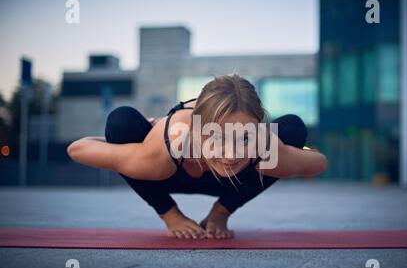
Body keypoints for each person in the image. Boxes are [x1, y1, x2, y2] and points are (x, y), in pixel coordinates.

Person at [67, 74, 328, 239]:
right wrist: (128, 148)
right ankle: (169, 212)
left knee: (293, 126)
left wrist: (274, 150)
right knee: (121, 121)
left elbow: (319, 163)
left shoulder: (263, 145)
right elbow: (77, 148)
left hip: (235, 183)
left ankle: (221, 211)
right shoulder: (168, 145)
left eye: (244, 138)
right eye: (218, 138)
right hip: (168, 173)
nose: (231, 154)